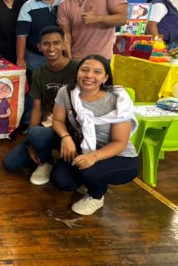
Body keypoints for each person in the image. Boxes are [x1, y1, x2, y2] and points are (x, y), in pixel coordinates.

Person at [51, 55, 139, 215]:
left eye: (97, 72)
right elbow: (57, 120)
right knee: (61, 181)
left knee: (89, 171)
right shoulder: (67, 92)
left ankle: (96, 196)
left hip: (118, 155)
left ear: (105, 78)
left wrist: (94, 157)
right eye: (84, 70)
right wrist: (65, 137)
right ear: (77, 72)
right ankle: (89, 180)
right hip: (82, 147)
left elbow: (119, 142)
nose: (89, 75)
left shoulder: (117, 102)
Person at [3, 27, 79, 185]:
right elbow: (36, 108)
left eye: (56, 43)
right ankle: (46, 159)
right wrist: (32, 141)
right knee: (11, 163)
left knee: (65, 180)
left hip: (72, 128)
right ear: (39, 47)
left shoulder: (77, 69)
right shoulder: (38, 73)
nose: (51, 48)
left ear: (64, 45)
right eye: (46, 44)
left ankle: (53, 158)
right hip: (48, 126)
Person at [16, 0, 69, 71]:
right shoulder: (28, 6)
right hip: (35, 58)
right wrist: (20, 59)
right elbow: (21, 36)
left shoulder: (66, 0)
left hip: (63, 56)